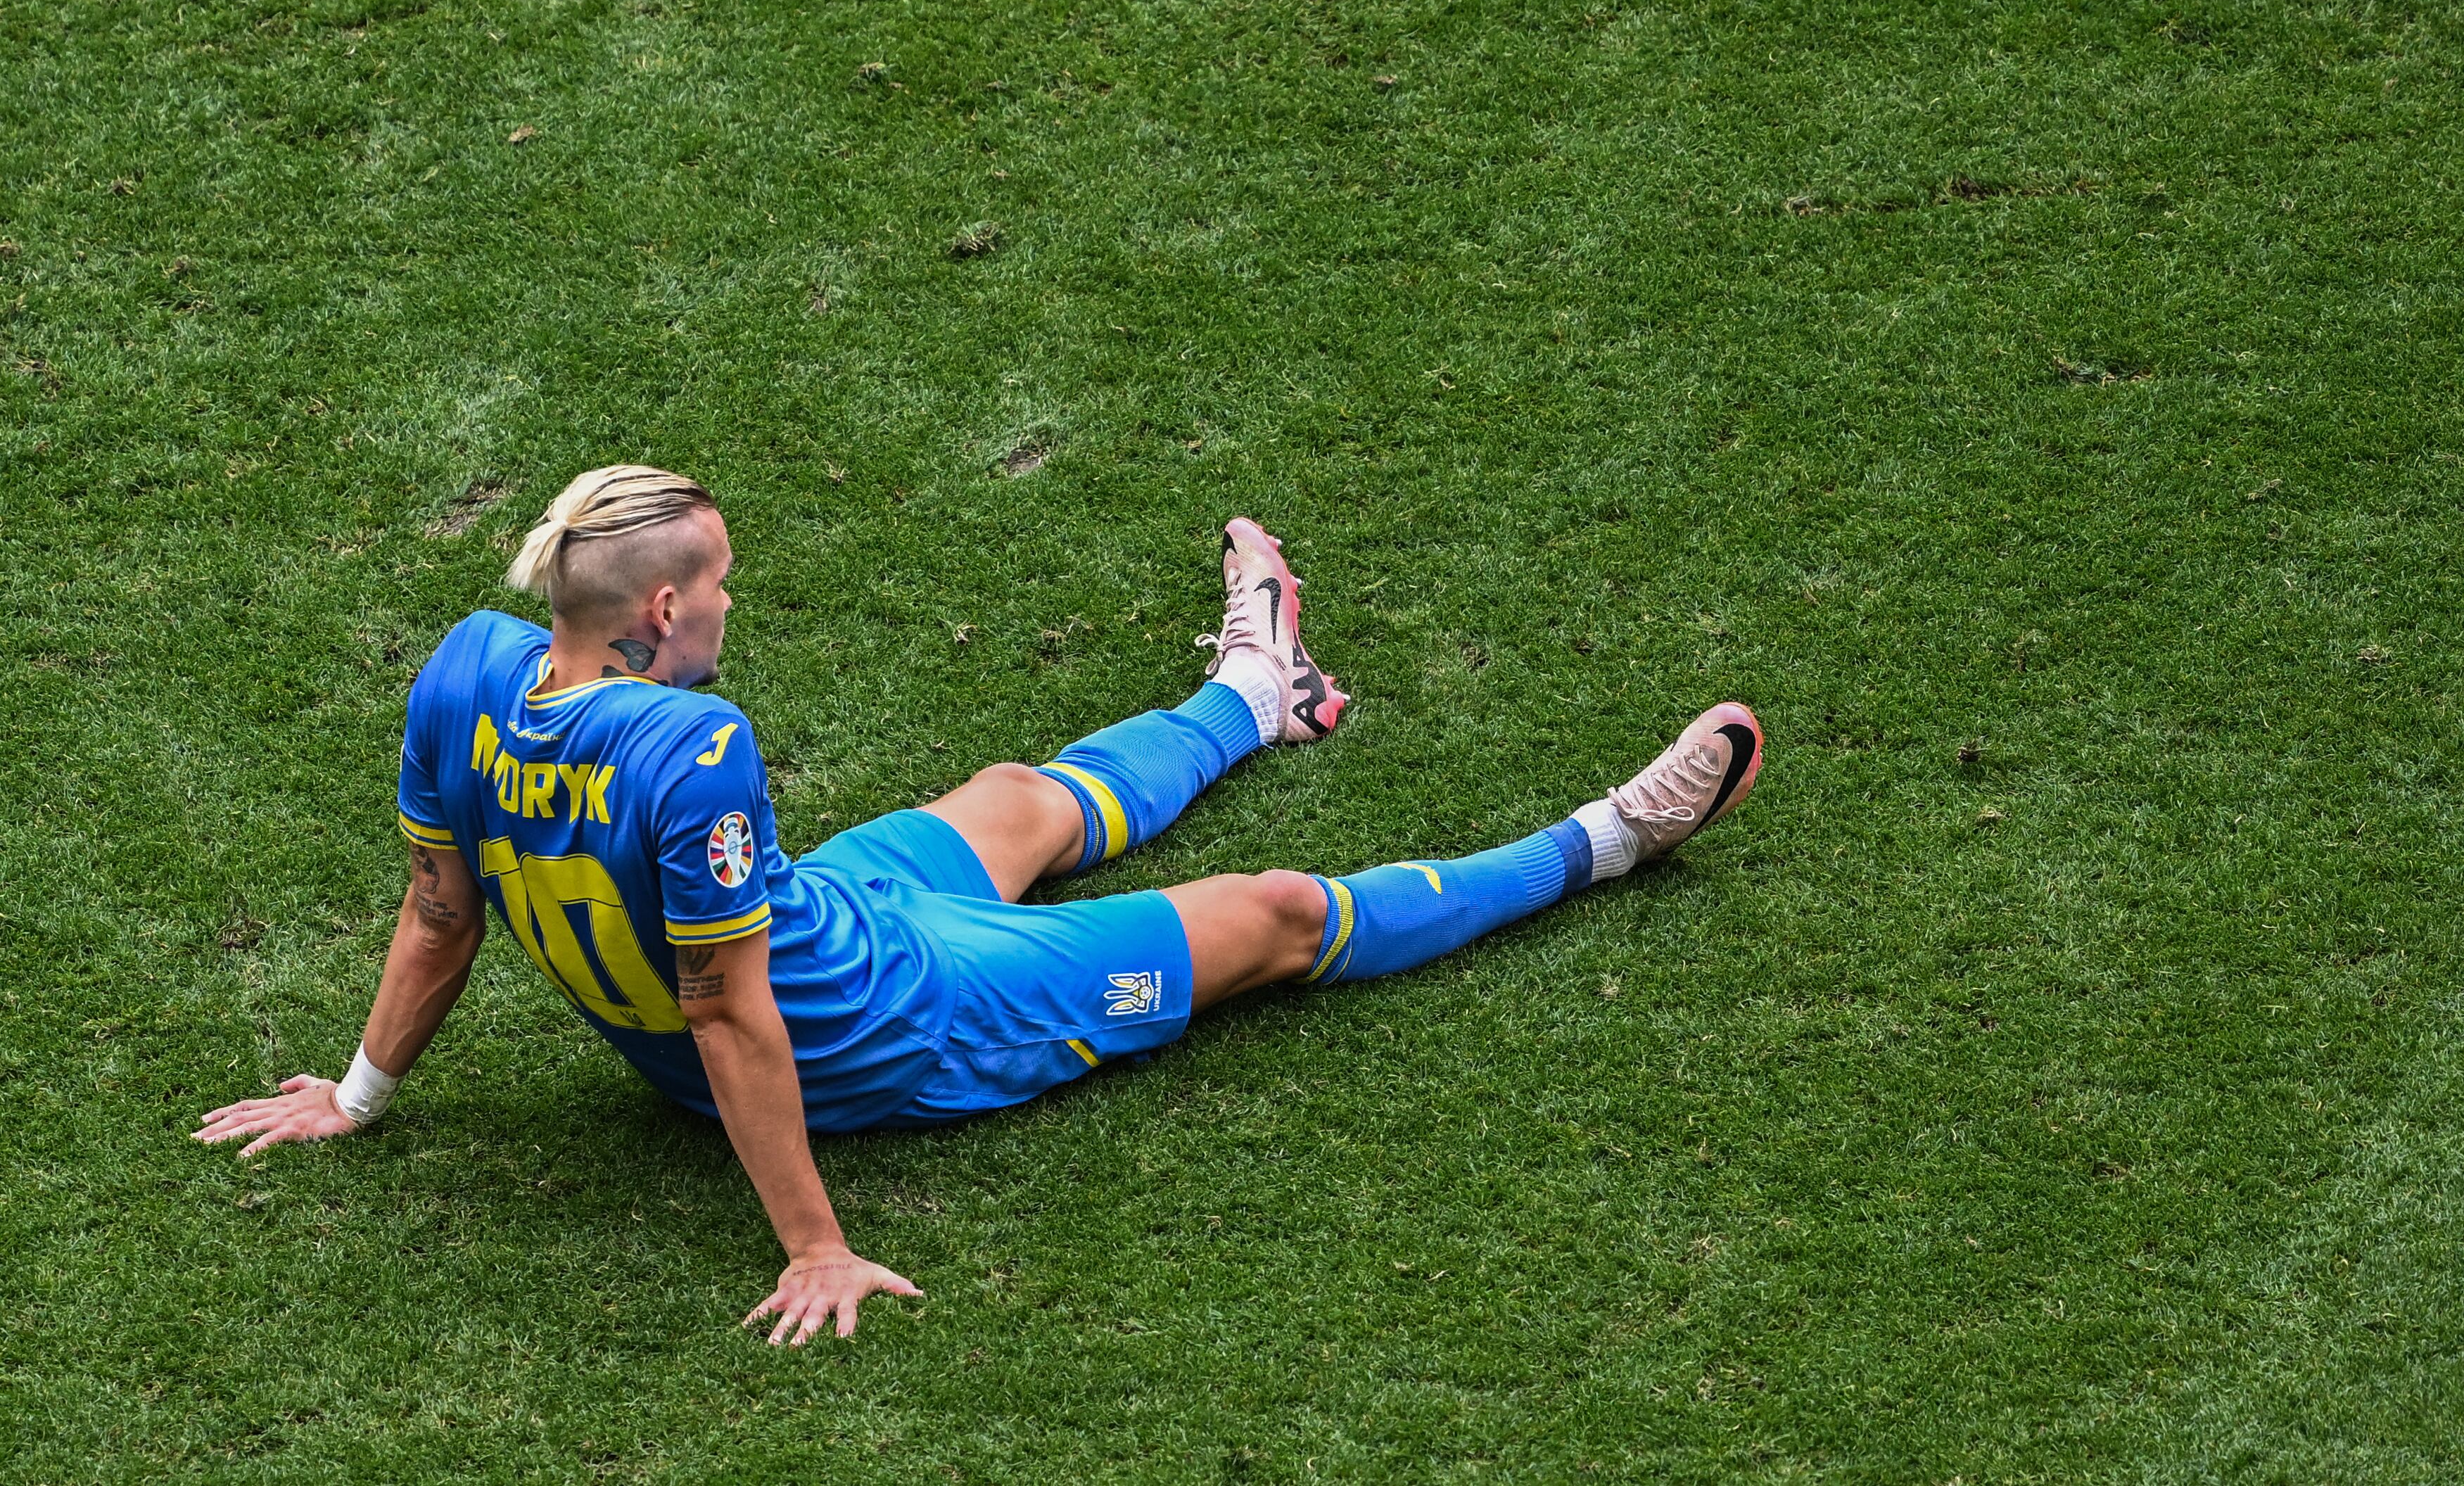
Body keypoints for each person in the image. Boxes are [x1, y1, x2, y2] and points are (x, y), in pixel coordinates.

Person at [193, 465, 1764, 1345]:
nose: (737, 601)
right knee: (1274, 912)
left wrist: (358, 1093)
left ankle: (1255, 690)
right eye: (726, 580)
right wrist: (816, 1249)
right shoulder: (692, 744)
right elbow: (732, 1010)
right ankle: (1606, 841)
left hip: (822, 917)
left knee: (1016, 795)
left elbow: (439, 907)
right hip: (902, 1019)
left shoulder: (470, 664)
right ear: (664, 610)